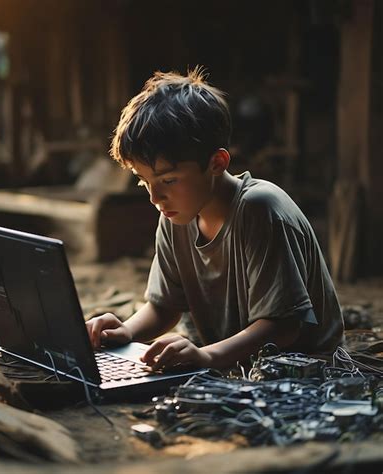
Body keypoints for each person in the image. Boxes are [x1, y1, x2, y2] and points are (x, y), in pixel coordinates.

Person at [86, 68, 344, 371]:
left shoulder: (260, 210)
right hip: (233, 366)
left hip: (306, 371)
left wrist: (207, 356)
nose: (155, 197)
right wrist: (126, 331)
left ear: (217, 163)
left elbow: (282, 327)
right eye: (144, 182)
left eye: (168, 180)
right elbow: (164, 305)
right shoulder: (176, 216)